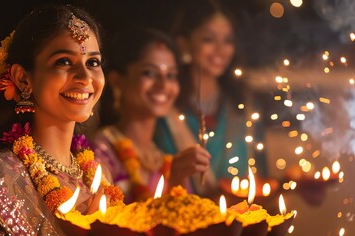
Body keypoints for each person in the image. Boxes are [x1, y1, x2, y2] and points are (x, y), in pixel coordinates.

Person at [0, 5, 123, 236]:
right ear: (23, 79)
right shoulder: (0, 184)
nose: (85, 77)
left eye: (93, 63)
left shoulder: (98, 174)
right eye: (64, 61)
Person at [154, 0, 268, 198]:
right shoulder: (163, 107)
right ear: (184, 44)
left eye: (228, 40)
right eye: (209, 39)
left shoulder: (243, 106)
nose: (221, 49)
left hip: (238, 223)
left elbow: (261, 178)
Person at [93, 27, 211, 203]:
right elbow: (111, 225)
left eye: (171, 75)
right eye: (149, 73)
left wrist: (177, 180)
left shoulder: (163, 159)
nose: (164, 84)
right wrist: (173, 181)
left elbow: (183, 223)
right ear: (117, 81)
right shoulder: (100, 152)